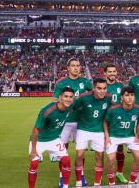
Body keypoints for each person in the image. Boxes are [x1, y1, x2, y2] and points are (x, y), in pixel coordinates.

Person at [53, 57, 92, 186]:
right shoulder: (61, 82)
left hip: (81, 122)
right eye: (73, 65)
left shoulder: (85, 82)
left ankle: (80, 175)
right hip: (65, 122)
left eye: (78, 65)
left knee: (80, 152)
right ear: (68, 68)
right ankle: (61, 176)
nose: (76, 67)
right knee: (62, 151)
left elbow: (93, 97)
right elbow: (54, 102)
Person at [27, 87, 74, 188]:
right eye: (65, 96)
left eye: (71, 97)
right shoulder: (47, 111)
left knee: (66, 161)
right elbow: (35, 130)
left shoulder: (70, 106)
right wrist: (34, 150)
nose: (68, 99)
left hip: (54, 139)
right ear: (60, 97)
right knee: (34, 164)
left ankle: (65, 186)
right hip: (39, 140)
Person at [73, 78, 113, 186]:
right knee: (79, 155)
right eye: (99, 88)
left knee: (99, 156)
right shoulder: (83, 97)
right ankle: (78, 182)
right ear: (93, 88)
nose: (102, 91)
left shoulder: (109, 98)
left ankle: (97, 183)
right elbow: (71, 108)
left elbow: (115, 108)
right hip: (83, 129)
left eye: (104, 88)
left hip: (99, 130)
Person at [103, 86, 139, 185]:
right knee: (111, 159)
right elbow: (104, 121)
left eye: (132, 95)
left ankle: (132, 182)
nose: (130, 97)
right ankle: (111, 183)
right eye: (127, 95)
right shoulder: (113, 109)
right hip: (114, 136)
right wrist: (107, 137)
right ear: (121, 97)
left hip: (129, 136)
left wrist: (137, 136)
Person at [104, 64, 128, 183]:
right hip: (102, 120)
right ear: (105, 73)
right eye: (110, 71)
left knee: (119, 148)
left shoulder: (121, 86)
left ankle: (119, 173)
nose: (112, 73)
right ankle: (105, 173)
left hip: (116, 120)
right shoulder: (101, 86)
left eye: (114, 71)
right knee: (101, 149)